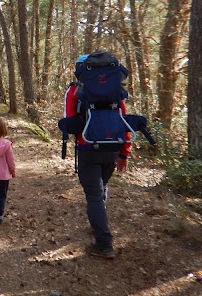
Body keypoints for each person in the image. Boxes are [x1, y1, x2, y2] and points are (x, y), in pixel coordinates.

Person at [64, 54, 131, 259]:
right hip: (112, 147)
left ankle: (104, 243)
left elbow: (70, 122)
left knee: (94, 195)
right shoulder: (114, 90)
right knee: (101, 189)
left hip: (88, 148)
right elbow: (123, 120)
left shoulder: (75, 91)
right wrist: (124, 153)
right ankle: (97, 226)